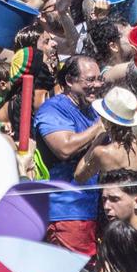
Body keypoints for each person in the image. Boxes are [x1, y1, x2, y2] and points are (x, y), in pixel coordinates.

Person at [33, 59, 105, 255]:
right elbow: (64, 148)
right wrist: (100, 126)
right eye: (90, 80)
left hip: (93, 208)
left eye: (99, 79)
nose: (97, 85)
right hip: (66, 211)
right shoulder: (53, 109)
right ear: (70, 81)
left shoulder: (91, 108)